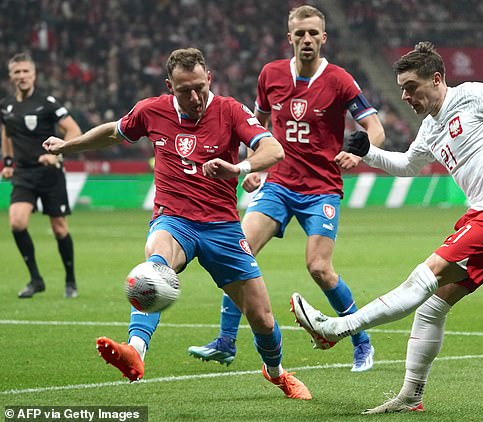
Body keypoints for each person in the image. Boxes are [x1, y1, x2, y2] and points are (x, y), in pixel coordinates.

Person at [291, 41, 483, 413]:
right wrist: (368, 151)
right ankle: (411, 396)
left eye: (411, 87)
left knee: (426, 275)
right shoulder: (429, 129)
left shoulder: (473, 95)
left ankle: (337, 329)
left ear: (436, 79)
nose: (404, 96)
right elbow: (406, 166)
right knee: (432, 307)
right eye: (401, 88)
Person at [42, 48, 311, 400]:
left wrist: (239, 168)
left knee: (262, 317)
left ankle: (275, 372)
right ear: (170, 86)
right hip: (174, 220)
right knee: (154, 267)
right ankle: (135, 351)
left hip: (223, 228)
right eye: (185, 90)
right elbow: (112, 133)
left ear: (209, 78)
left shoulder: (230, 110)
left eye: (200, 86)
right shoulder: (152, 110)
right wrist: (66, 146)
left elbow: (273, 149)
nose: (195, 96)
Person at [187, 5, 385, 372]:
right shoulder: (271, 75)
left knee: (319, 268)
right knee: (237, 251)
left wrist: (359, 152)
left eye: (313, 33)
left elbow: (375, 127)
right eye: (300, 33)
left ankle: (361, 340)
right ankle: (226, 342)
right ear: (289, 37)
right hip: (278, 183)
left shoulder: (340, 80)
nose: (306, 39)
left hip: (321, 188)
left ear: (324, 38)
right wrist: (253, 166)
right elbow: (256, 126)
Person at [1, 53, 82, 299]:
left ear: (34, 74)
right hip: (24, 173)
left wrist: (57, 155)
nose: (22, 76)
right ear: (11, 76)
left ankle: (70, 280)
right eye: (17, 72)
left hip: (49, 173)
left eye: (26, 71)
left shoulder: (48, 102)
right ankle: (36, 279)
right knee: (17, 222)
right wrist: (7, 162)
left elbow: (74, 130)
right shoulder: (6, 105)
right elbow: (7, 133)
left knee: (59, 228)